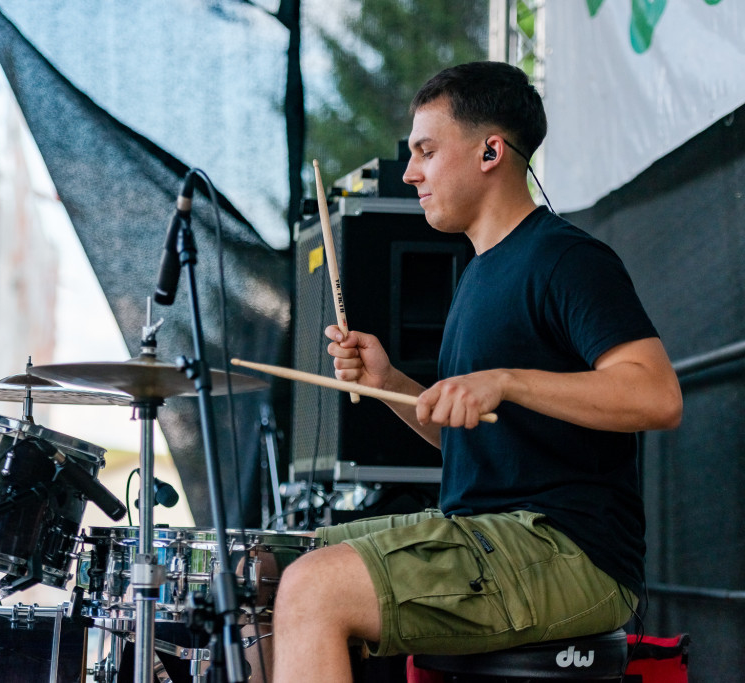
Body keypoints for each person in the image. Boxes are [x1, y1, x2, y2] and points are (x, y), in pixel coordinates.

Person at [270, 61, 682, 681]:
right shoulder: (476, 275)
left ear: (491, 151)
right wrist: (389, 386)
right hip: (485, 532)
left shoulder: (568, 260)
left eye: (426, 151)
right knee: (266, 566)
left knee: (314, 587)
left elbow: (657, 395)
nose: (410, 172)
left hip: (571, 553)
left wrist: (506, 379)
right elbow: (477, 438)